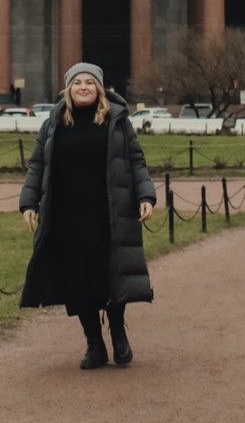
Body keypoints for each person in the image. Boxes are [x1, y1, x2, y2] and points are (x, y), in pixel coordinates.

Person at [19, 62, 156, 369]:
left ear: (100, 89)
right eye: (77, 82)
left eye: (90, 82)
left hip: (108, 210)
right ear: (68, 88)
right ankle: (94, 344)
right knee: (77, 280)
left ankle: (118, 334)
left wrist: (146, 195)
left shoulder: (116, 122)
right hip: (67, 214)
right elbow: (38, 165)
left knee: (111, 273)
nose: (83, 87)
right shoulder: (53, 124)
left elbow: (136, 160)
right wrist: (29, 202)